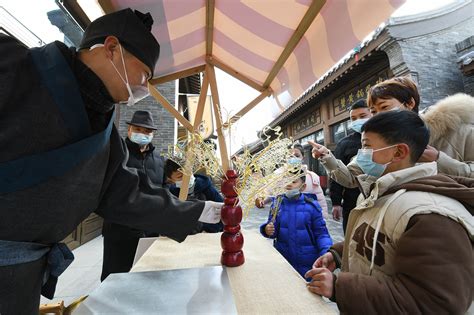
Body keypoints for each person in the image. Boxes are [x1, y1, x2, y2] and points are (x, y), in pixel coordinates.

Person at [0, 9, 222, 314]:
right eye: (144, 74)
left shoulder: (106, 140)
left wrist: (202, 211)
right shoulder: (13, 64)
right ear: (111, 48)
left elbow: (128, 196)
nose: (144, 87)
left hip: (22, 281)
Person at [305, 111, 473, 314]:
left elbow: (432, 303)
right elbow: (382, 239)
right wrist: (340, 254)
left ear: (399, 152)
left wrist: (340, 286)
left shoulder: (431, 215)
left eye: (367, 146)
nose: (360, 154)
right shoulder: (380, 192)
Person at [310, 76, 473, 191]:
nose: (379, 115)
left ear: (409, 103)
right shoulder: (377, 142)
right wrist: (327, 157)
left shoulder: (459, 131)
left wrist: (439, 159)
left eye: (384, 107)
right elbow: (352, 178)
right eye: (373, 111)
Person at [101, 110, 166, 281]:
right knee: (116, 278)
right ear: (129, 130)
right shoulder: (116, 153)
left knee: (146, 277)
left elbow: (163, 190)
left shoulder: (159, 160)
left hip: (150, 230)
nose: (143, 134)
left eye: (147, 131)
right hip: (120, 230)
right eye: (138, 129)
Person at [260, 171, 332, 278]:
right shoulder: (277, 205)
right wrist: (267, 230)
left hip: (308, 262)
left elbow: (322, 234)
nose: (289, 184)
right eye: (286, 181)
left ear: (303, 187)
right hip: (283, 260)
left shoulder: (312, 207)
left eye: (293, 181)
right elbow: (273, 231)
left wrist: (326, 252)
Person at [329, 99, 372, 233]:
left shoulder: (385, 138)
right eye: (353, 118)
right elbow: (336, 173)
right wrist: (336, 202)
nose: (358, 120)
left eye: (363, 116)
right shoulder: (344, 143)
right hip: (351, 200)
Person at [165, 159, 224, 233]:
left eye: (187, 174)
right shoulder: (172, 195)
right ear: (171, 180)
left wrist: (203, 227)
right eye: (180, 176)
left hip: (208, 234)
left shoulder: (206, 187)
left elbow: (223, 214)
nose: (186, 179)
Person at [290, 143, 329, 218]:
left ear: (303, 157)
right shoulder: (279, 177)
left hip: (307, 221)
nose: (293, 158)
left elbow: (320, 201)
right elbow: (271, 195)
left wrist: (322, 219)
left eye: (297, 156)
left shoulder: (312, 177)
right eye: (290, 156)